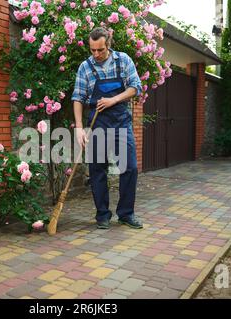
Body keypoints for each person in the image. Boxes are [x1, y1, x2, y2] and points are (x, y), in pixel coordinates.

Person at [72, 27, 143, 230]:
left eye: (100, 50)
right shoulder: (85, 67)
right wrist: (79, 128)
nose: (96, 54)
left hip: (121, 121)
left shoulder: (123, 61)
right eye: (92, 50)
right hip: (98, 123)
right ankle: (102, 214)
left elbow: (135, 86)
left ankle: (126, 214)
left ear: (108, 44)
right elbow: (78, 98)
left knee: (129, 167)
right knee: (97, 169)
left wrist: (113, 100)